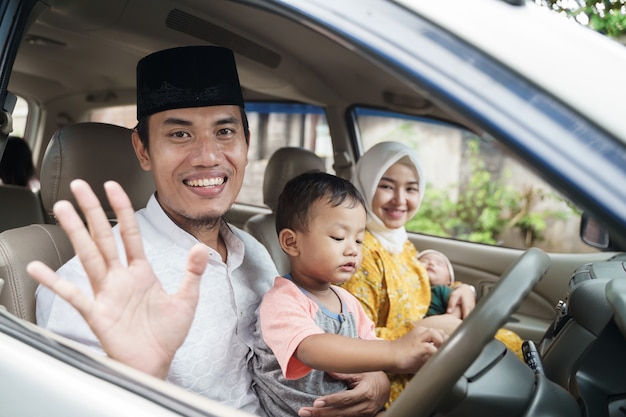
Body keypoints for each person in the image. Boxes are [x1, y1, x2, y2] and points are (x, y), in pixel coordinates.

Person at [29, 46, 389, 417]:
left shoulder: (255, 253)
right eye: (180, 134)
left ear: (246, 143)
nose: (208, 156)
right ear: (143, 150)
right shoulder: (89, 286)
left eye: (225, 131)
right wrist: (139, 383)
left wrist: (375, 377)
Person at [250, 171, 447, 417]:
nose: (352, 250)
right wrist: (395, 352)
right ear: (292, 243)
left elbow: (370, 349)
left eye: (359, 240)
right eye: (339, 237)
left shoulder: (348, 302)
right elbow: (312, 348)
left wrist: (405, 359)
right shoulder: (282, 301)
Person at [339, 141, 520, 405]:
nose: (400, 200)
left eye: (411, 189)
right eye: (386, 186)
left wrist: (461, 289)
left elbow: (422, 283)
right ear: (365, 187)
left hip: (428, 350)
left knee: (510, 346)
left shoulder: (399, 242)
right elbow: (353, 342)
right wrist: (427, 328)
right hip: (396, 372)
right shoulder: (360, 253)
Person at [416, 249, 457, 317]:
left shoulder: (442, 290)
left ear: (449, 280)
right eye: (424, 261)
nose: (431, 263)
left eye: (439, 264)